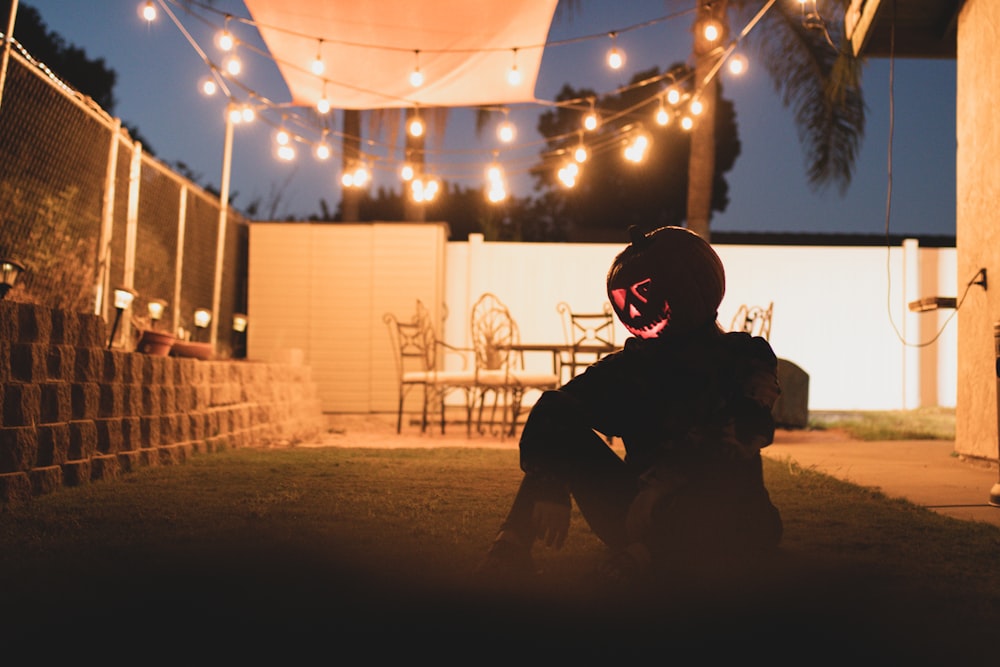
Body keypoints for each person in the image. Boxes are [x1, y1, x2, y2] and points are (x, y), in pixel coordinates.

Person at [479, 225, 783, 583]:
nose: (635, 308)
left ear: (694, 281)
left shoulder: (743, 357)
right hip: (637, 512)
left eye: (644, 290)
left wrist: (663, 482)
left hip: (722, 515)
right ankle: (511, 544)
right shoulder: (630, 368)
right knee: (558, 437)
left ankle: (647, 557)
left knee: (728, 469)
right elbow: (554, 408)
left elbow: (747, 427)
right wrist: (550, 481)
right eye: (624, 298)